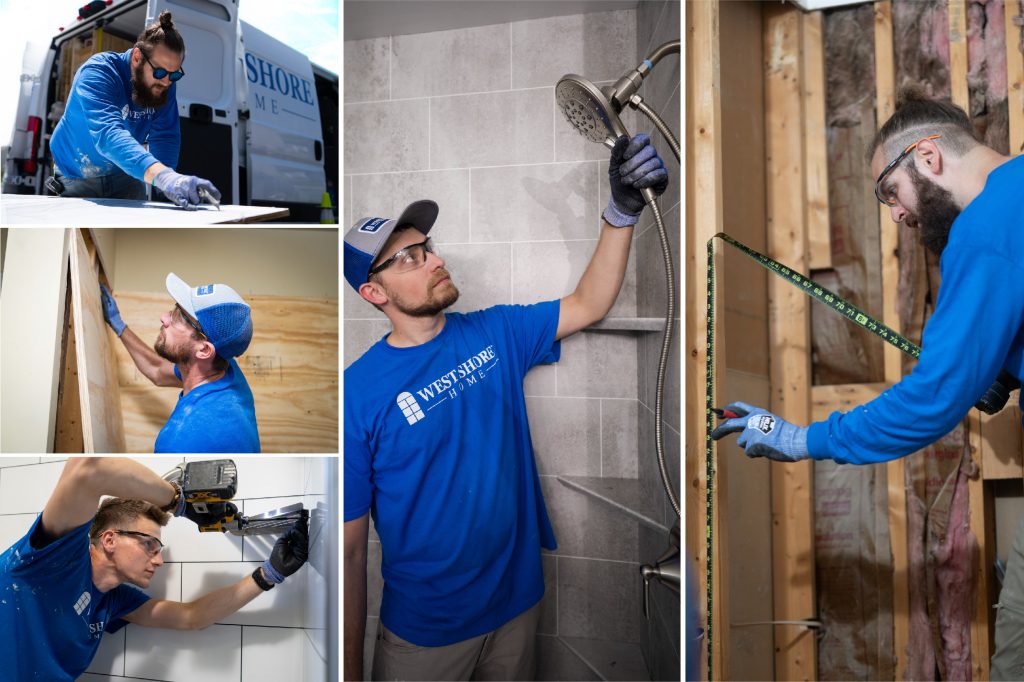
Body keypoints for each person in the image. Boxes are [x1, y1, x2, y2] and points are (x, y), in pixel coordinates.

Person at [712, 88, 1023, 679]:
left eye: (890, 191)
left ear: (928, 157)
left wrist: (802, 439)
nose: (897, 215)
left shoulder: (982, 231)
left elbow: (931, 401)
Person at [342, 134, 669, 681]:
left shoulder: (496, 332)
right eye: (411, 258)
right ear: (375, 293)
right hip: (426, 631)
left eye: (431, 246)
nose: (436, 260)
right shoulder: (357, 394)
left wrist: (622, 212)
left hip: (518, 603)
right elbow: (350, 552)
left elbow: (589, 302)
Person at [0, 458, 307, 680]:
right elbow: (88, 469)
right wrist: (178, 502)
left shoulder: (111, 599)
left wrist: (268, 575)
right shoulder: (54, 560)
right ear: (109, 539)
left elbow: (191, 617)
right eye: (150, 545)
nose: (158, 560)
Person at [48, 11, 221, 209]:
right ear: (137, 57)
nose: (166, 81)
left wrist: (169, 182)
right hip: (77, 175)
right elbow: (108, 135)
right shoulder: (98, 73)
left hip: (126, 173)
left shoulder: (164, 82)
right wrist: (162, 177)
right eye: (160, 71)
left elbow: (165, 135)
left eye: (174, 75)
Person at [100, 273, 260, 453]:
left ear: (204, 350)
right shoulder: (225, 368)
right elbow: (158, 370)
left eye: (179, 318)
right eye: (174, 309)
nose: (164, 317)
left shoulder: (180, 440)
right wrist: (119, 325)